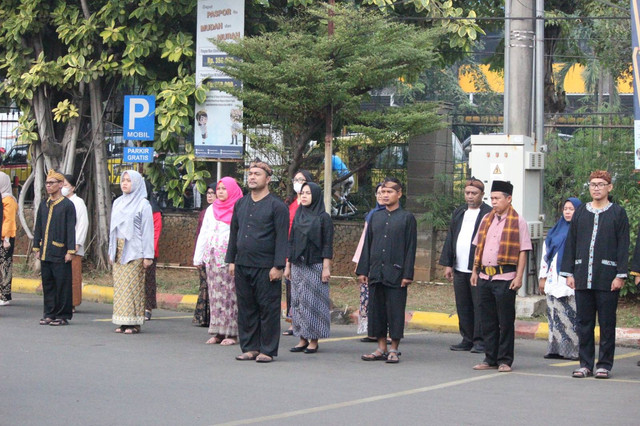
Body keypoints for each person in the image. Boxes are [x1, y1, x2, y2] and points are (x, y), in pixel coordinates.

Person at [560, 170, 629, 379]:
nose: (596, 187)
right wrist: (568, 273)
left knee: (607, 323)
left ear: (610, 187)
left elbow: (623, 245)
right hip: (582, 276)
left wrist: (620, 275)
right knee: (584, 323)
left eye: (601, 184)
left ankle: (604, 364)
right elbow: (570, 243)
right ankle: (586, 364)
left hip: (607, 277)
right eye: (593, 184)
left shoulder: (618, 213)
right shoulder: (581, 212)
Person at [225, 159, 289, 363]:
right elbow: (234, 233)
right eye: (250, 173)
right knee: (246, 308)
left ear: (268, 179)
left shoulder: (277, 206)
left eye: (257, 174)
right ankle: (250, 347)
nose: (252, 177)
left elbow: (282, 239)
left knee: (268, 309)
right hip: (243, 264)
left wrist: (278, 265)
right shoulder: (241, 203)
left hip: (266, 267)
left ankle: (267, 350)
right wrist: (231, 260)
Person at [471, 180, 532, 373]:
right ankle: (490, 358)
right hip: (484, 277)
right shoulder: (486, 219)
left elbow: (523, 250)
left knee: (504, 321)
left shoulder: (517, 221)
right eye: (492, 198)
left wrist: (519, 276)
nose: (494, 202)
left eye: (497, 198)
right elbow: (478, 247)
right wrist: (474, 271)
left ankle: (505, 359)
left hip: (505, 278)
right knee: (486, 320)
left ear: (509, 199)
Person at [356, 177, 417, 364]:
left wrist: (407, 274)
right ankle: (381, 347)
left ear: (399, 194)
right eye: (382, 192)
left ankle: (394, 349)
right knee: (377, 311)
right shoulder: (375, 216)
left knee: (395, 311)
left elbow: (410, 247)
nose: (385, 195)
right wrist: (363, 270)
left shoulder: (407, 218)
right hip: (376, 272)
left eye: (389, 191)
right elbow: (367, 244)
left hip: (396, 273)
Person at [439, 178, 492, 352]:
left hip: (478, 268)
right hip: (459, 267)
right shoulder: (459, 212)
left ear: (482, 195)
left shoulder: (488, 213)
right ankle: (467, 338)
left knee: (480, 305)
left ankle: (480, 340)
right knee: (463, 304)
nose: (470, 197)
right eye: (467, 193)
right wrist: (448, 264)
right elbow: (451, 237)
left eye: (474, 194)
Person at [193, 176, 243, 345]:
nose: (221, 192)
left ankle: (231, 333)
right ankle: (217, 331)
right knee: (215, 296)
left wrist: (235, 258)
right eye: (219, 189)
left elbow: (239, 235)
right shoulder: (211, 209)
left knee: (230, 296)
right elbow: (204, 233)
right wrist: (198, 257)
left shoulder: (239, 207)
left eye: (224, 189)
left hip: (229, 259)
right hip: (212, 258)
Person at [285, 182, 333, 354]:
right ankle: (302, 338)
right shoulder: (298, 213)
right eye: (302, 193)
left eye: (308, 193)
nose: (304, 196)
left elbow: (327, 244)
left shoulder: (323, 217)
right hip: (298, 264)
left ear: (316, 196)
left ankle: (314, 339)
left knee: (313, 302)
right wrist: (288, 265)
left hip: (315, 264)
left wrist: (326, 268)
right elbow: (291, 241)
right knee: (298, 301)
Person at [109, 170, 155, 335]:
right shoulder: (118, 202)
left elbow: (148, 231)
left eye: (129, 180)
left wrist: (148, 256)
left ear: (136, 183)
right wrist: (111, 251)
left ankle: (134, 323)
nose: (125, 183)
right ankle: (122, 321)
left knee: (133, 287)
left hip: (135, 250)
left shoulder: (143, 205)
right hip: (119, 250)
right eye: (123, 180)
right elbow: (112, 230)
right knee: (121, 288)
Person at [538, 197, 582, 361]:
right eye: (566, 209)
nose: (568, 212)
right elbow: (546, 255)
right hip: (552, 278)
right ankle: (555, 349)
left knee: (571, 317)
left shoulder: (581, 230)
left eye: (572, 209)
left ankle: (572, 350)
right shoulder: (555, 230)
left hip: (571, 280)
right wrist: (542, 277)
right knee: (554, 315)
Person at [33, 170, 76, 326]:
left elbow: (71, 229)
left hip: (60, 251)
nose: (49, 186)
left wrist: (70, 250)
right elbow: (38, 226)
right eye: (47, 183)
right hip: (45, 251)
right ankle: (49, 313)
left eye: (52, 183)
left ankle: (62, 315)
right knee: (48, 283)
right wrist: (36, 247)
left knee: (62, 284)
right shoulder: (44, 204)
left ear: (59, 185)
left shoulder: (67, 205)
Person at [352, 183, 385, 341]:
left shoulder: (396, 216)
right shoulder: (372, 215)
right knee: (367, 297)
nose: (381, 195)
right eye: (378, 192)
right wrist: (360, 263)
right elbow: (364, 241)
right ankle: (372, 331)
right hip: (369, 262)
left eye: (385, 192)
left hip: (385, 264)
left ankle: (386, 332)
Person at [283, 169, 314, 337]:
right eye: (295, 180)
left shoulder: (312, 205)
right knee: (291, 290)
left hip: (307, 254)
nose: (298, 183)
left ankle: (307, 324)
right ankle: (294, 322)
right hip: (290, 250)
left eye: (301, 180)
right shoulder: (291, 203)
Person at [62, 174, 88, 313]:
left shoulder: (78, 203)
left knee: (73, 275)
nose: (63, 188)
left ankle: (72, 302)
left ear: (72, 187)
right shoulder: (58, 202)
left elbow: (83, 224)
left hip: (73, 245)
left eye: (65, 185)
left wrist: (76, 244)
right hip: (60, 245)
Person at [193, 184, 216, 327]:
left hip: (217, 254)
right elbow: (201, 234)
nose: (210, 196)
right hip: (204, 252)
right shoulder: (205, 212)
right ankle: (203, 316)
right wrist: (198, 255)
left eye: (212, 193)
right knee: (204, 285)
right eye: (208, 193)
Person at [144, 179, 163, 321]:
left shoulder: (154, 210)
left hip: (149, 251)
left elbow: (156, 233)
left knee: (148, 280)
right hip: (133, 250)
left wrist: (150, 253)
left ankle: (147, 307)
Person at [0, 172, 17, 306]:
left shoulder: (8, 200)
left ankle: (5, 295)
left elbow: (9, 221)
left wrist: (6, 239)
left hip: (5, 238)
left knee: (5, 265)